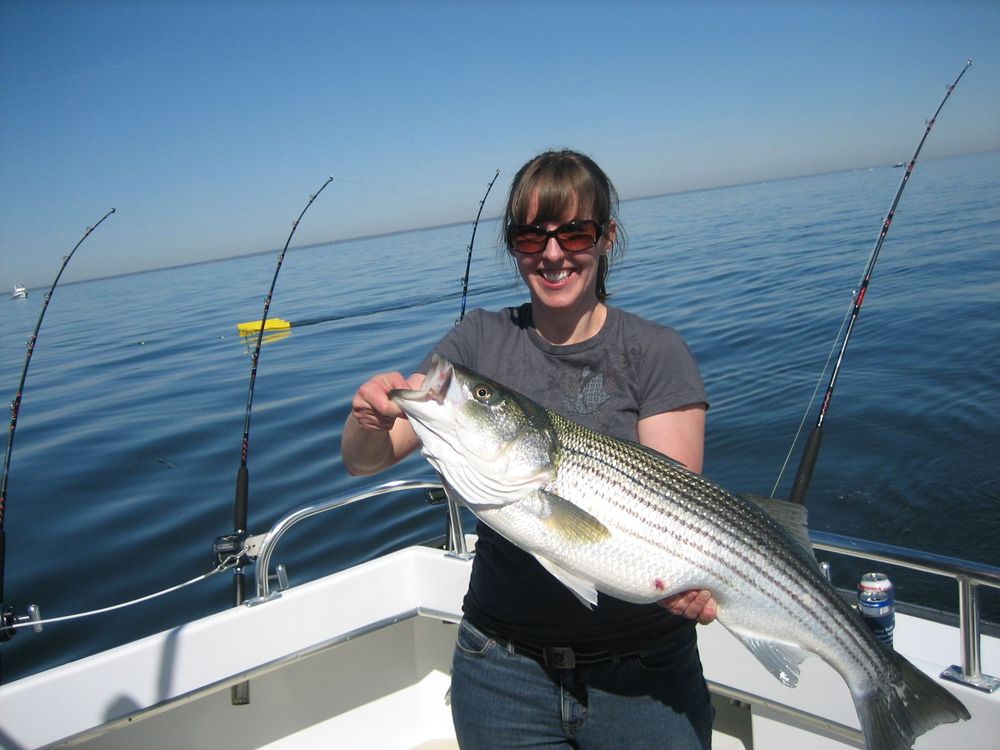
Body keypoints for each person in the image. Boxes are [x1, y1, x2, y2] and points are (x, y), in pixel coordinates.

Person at [342, 149, 717, 749]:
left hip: (644, 671)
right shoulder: (476, 341)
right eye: (530, 236)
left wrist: (692, 578)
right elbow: (368, 457)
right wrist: (367, 416)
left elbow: (676, 516)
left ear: (606, 238)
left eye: (575, 231)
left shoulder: (655, 352)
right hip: (500, 669)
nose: (552, 253)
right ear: (513, 245)